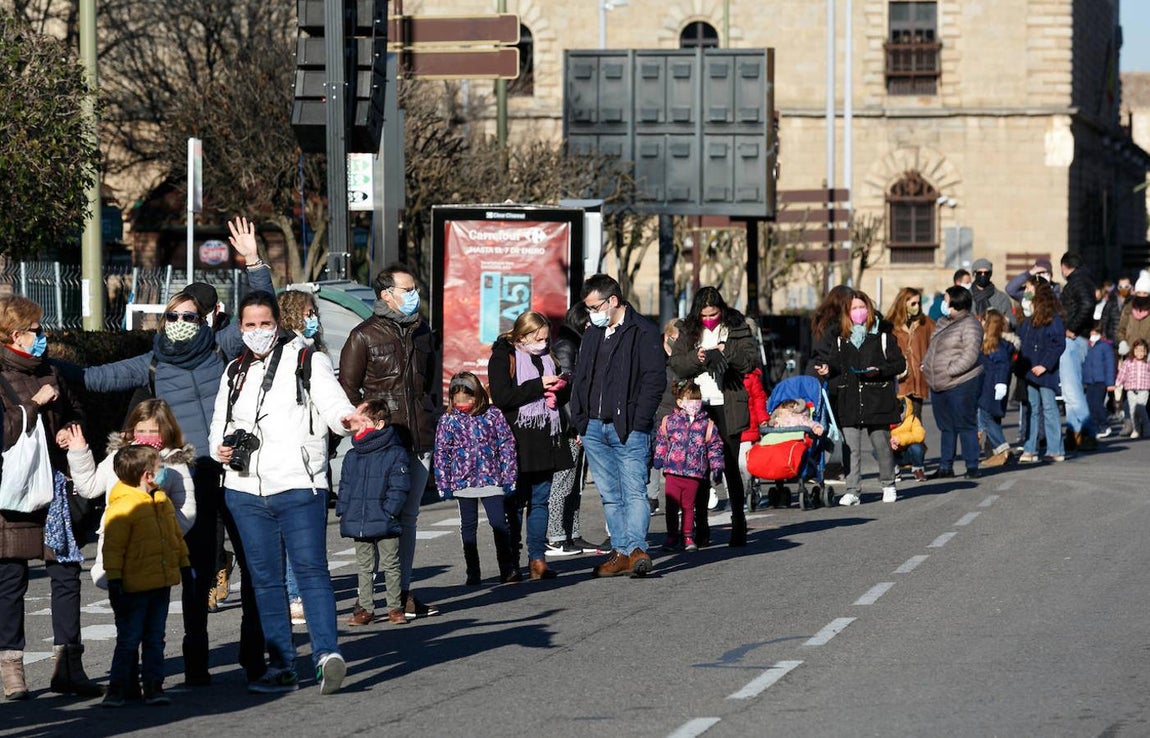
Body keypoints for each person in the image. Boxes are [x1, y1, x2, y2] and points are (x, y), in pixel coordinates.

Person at [80, 215, 273, 685]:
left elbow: (262, 310)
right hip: (187, 477)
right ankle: (195, 662)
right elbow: (96, 377)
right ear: (162, 320)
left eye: (190, 317)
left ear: (205, 320)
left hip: (236, 470)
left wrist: (253, 262)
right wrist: (41, 366)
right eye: (174, 316)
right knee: (195, 570)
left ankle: (254, 655)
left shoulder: (222, 347)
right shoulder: (151, 362)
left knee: (252, 562)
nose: (182, 323)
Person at [210, 290, 365, 695]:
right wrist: (220, 449)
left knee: (311, 571)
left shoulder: (307, 359)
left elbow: (333, 406)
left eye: (265, 323)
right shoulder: (234, 372)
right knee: (265, 581)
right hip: (243, 492)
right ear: (240, 328)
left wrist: (348, 419)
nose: (258, 331)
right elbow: (217, 429)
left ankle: (326, 654)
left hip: (299, 485)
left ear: (278, 323)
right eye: (250, 324)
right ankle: (281, 664)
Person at [0, 296, 103, 701]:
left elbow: (77, 412)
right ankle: (12, 669)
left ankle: (69, 664)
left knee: (65, 574)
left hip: (57, 485)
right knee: (10, 580)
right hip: (15, 490)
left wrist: (69, 430)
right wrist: (33, 404)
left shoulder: (52, 371)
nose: (43, 337)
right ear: (15, 334)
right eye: (36, 330)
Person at [339, 265, 439, 619]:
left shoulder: (423, 330)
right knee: (372, 519)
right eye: (407, 289)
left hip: (418, 438)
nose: (414, 294)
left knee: (406, 517)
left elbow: (430, 383)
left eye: (414, 288)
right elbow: (347, 390)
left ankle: (401, 592)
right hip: (380, 442)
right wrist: (365, 426)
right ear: (386, 294)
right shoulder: (363, 335)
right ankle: (365, 598)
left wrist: (433, 417)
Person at [570, 274, 665, 578]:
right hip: (594, 428)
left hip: (629, 427)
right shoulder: (593, 334)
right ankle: (621, 551)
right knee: (610, 494)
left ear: (613, 301)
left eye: (595, 307)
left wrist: (640, 422)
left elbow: (654, 380)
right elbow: (582, 377)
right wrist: (580, 420)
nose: (592, 314)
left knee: (634, 490)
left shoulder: (643, 331)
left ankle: (637, 548)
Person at [100, 445, 190, 708]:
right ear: (147, 476)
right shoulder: (122, 507)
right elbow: (112, 548)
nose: (163, 472)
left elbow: (175, 536)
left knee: (155, 637)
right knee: (129, 639)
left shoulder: (161, 501)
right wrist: (114, 579)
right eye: (159, 468)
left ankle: (153, 685)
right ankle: (118, 688)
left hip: (160, 583)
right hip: (132, 586)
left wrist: (184, 563)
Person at [668, 286, 758, 545]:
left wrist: (725, 351)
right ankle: (701, 528)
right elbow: (677, 363)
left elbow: (749, 361)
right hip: (698, 404)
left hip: (728, 401)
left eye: (714, 314)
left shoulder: (737, 326)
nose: (709, 319)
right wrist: (697, 358)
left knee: (729, 464)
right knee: (699, 467)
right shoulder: (688, 329)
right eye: (705, 315)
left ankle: (738, 522)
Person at [488, 310, 572, 580]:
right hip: (517, 438)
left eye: (546, 338)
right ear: (521, 335)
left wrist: (561, 387)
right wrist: (539, 385)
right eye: (537, 338)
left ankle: (537, 559)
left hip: (546, 437)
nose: (543, 343)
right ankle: (511, 562)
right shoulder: (504, 356)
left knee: (541, 501)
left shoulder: (548, 356)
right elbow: (502, 397)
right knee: (514, 503)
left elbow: (556, 395)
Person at [811, 290, 906, 504]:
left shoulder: (883, 336)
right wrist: (827, 369)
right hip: (850, 399)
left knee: (881, 444)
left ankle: (888, 484)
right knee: (850, 448)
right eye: (854, 308)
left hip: (877, 399)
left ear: (869, 310)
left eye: (862, 307)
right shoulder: (841, 339)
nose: (859, 312)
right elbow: (836, 364)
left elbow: (899, 364)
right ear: (847, 313)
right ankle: (853, 490)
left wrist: (879, 370)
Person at [433, 372, 519, 585]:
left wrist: (509, 476)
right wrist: (443, 483)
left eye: (467, 400)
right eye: (457, 401)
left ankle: (507, 568)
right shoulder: (448, 420)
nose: (462, 405)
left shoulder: (493, 415)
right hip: (463, 481)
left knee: (499, 523)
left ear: (478, 395)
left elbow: (506, 445)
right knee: (468, 527)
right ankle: (473, 571)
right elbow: (442, 451)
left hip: (492, 479)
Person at [277, 288, 327, 626]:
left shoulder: (317, 353)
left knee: (301, 537)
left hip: (313, 456)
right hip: (284, 454)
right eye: (308, 312)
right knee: (283, 537)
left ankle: (295, 594)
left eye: (314, 313)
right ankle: (291, 595)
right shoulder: (283, 354)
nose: (313, 319)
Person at [337, 399, 409, 626]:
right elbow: (345, 486)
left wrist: (390, 511)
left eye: (364, 421)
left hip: (384, 516)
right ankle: (365, 608)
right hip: (358, 517)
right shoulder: (352, 455)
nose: (359, 426)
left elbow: (399, 486)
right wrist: (343, 510)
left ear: (378, 424)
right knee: (364, 566)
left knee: (390, 563)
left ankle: (394, 607)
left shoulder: (395, 452)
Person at [545, 303, 598, 555]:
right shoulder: (567, 346)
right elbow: (568, 389)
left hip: (578, 423)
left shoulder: (580, 344)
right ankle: (555, 536)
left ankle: (572, 533)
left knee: (575, 484)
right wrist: (577, 426)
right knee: (563, 482)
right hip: (568, 425)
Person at [921, 286, 985, 479]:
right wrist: (926, 364)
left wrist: (950, 370)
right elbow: (933, 348)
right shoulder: (941, 322)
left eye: (946, 298)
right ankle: (945, 466)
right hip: (939, 383)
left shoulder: (970, 324)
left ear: (955, 301)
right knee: (946, 427)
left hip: (961, 382)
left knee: (965, 424)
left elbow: (971, 353)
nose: (943, 302)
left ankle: (972, 465)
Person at [652, 380, 724, 551]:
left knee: (688, 506)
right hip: (673, 471)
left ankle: (687, 536)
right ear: (680, 402)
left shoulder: (707, 424)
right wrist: (659, 457)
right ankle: (671, 536)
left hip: (694, 473)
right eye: (690, 400)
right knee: (671, 506)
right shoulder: (670, 421)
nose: (694, 403)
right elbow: (662, 440)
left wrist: (717, 466)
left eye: (697, 399)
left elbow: (714, 447)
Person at [1016, 278, 1067, 463]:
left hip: (1045, 371)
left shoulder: (1052, 316)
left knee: (1049, 408)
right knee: (1032, 409)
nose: (1025, 291)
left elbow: (1058, 343)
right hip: (1029, 370)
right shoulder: (1027, 316)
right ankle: (1030, 448)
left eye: (1029, 288)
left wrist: (1045, 365)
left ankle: (1055, 448)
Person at [1058, 252, 1098, 451]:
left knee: (1072, 392)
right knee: (1070, 390)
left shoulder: (1077, 281)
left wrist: (1072, 327)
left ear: (1065, 266)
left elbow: (1087, 305)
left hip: (1073, 339)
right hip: (1078, 339)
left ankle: (1088, 432)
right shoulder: (1085, 279)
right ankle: (1074, 435)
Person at [888, 287, 934, 420]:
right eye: (913, 303)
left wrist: (929, 362)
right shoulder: (890, 325)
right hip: (900, 380)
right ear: (903, 303)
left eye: (919, 303)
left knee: (915, 423)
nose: (917, 307)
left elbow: (937, 344)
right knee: (900, 424)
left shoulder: (926, 323)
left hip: (919, 380)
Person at [977, 310, 1013, 467]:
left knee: (986, 418)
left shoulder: (997, 345)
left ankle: (1003, 449)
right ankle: (997, 452)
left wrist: (1001, 384)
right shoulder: (991, 342)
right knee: (991, 419)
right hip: (988, 385)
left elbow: (1002, 365)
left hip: (992, 387)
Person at [1083, 323, 1117, 439]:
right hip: (1089, 380)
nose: (1093, 335)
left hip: (1101, 380)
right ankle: (1096, 426)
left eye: (1095, 333)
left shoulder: (1105, 346)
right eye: (1092, 333)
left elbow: (1110, 365)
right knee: (1090, 404)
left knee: (1097, 404)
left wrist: (1110, 383)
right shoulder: (1086, 346)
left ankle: (1104, 425)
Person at [1114, 339, 1150, 439]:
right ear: (1133, 351)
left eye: (1142, 351)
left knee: (1141, 409)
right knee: (1132, 411)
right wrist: (1117, 384)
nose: (1140, 353)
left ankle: (1147, 428)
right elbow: (1122, 374)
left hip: (1143, 390)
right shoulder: (1128, 362)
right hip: (1131, 390)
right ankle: (1136, 429)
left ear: (1146, 351)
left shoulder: (1147, 363)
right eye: (1137, 350)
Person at [890, 396, 927, 482]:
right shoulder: (886, 421)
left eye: (900, 408)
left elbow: (920, 435)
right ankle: (894, 471)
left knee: (917, 447)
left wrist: (900, 439)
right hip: (894, 452)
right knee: (880, 448)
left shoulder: (912, 419)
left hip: (909, 453)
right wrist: (890, 442)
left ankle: (918, 469)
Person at [969, 258, 1015, 326]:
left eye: (986, 273)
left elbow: (1012, 322)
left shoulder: (1002, 298)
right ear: (974, 274)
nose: (983, 275)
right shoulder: (966, 296)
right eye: (979, 273)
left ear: (990, 274)